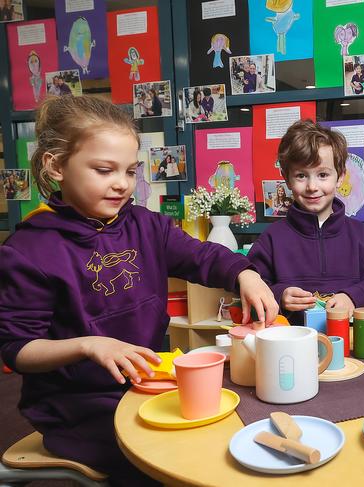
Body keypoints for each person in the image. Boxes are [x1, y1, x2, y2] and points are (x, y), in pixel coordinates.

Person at [0, 95, 278, 486]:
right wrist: (88, 345)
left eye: (130, 171)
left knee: (225, 433)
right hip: (78, 407)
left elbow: (203, 257)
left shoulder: (147, 225)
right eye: (103, 170)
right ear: (56, 165)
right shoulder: (29, 250)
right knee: (166, 461)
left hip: (147, 385)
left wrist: (246, 275)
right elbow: (17, 348)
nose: (121, 184)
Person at [248, 119, 364, 323]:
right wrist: (280, 294)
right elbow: (253, 285)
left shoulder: (360, 235)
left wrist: (353, 297)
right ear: (287, 179)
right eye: (301, 176)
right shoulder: (271, 239)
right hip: (289, 342)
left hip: (349, 339)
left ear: (340, 177)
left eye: (323, 175)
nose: (312, 186)